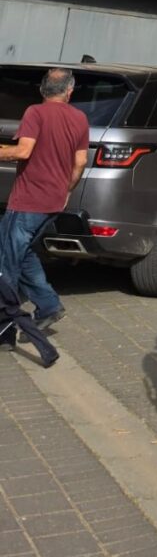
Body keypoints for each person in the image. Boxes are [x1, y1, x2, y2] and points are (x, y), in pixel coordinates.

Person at [0, 68, 88, 352]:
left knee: (7, 263)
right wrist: (66, 191)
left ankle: (5, 331)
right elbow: (80, 162)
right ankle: (49, 305)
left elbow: (23, 151)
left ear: (42, 90)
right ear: (69, 91)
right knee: (23, 254)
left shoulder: (35, 113)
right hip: (52, 200)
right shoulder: (79, 118)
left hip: (27, 201)